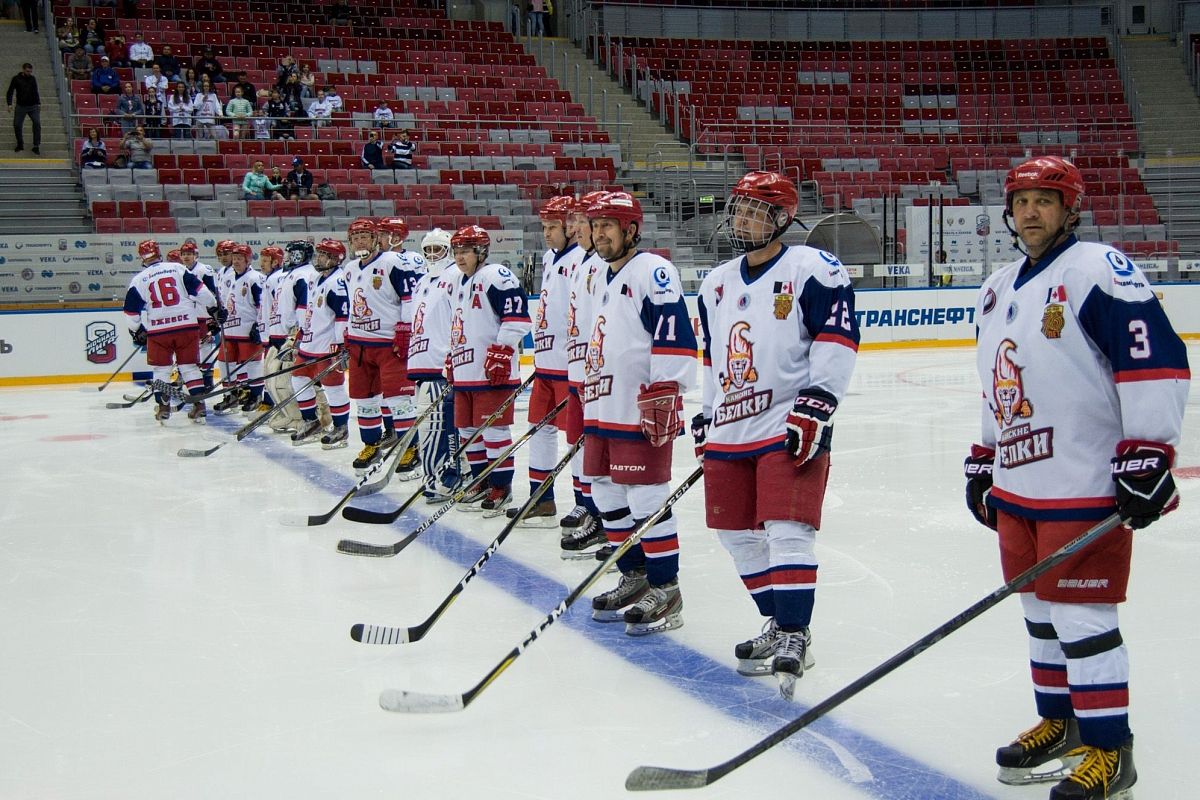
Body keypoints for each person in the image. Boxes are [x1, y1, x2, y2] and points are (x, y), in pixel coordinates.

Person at [964, 155, 1189, 800]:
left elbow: (1153, 360)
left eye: (1045, 199)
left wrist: (1150, 449)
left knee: (1084, 615)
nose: (1030, 211)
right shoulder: (998, 286)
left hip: (1083, 480)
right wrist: (985, 457)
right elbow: (997, 384)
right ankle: (1061, 723)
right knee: (1039, 612)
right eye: (1022, 200)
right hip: (1020, 482)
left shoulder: (1098, 270)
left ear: (1070, 209)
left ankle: (1110, 747)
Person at [694, 171, 859, 698]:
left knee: (787, 527)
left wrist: (819, 402)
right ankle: (780, 621)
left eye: (755, 211)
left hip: (788, 422)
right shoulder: (715, 283)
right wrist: (705, 412)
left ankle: (793, 632)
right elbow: (713, 357)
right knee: (734, 532)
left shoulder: (813, 268)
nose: (742, 219)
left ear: (782, 218)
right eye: (739, 209)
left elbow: (837, 335)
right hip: (731, 424)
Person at [583, 191, 697, 636]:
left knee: (646, 496)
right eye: (595, 225)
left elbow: (674, 329)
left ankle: (666, 587)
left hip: (637, 406)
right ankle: (634, 577)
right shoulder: (601, 274)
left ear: (631, 229)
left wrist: (667, 387)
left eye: (608, 224)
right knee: (606, 494)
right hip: (602, 404)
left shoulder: (653, 270)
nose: (599, 233)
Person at [503, 195, 582, 526]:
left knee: (575, 437)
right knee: (539, 429)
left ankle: (585, 505)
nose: (546, 234)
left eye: (552, 227)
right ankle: (541, 498)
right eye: (545, 227)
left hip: (570, 366)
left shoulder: (582, 260)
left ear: (570, 227)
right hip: (546, 364)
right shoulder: (551, 258)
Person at [446, 224, 532, 512]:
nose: (459, 257)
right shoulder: (458, 282)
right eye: (456, 251)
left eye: (466, 251)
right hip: (466, 370)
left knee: (494, 430)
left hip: (491, 371)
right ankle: (481, 479)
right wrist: (452, 355)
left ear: (481, 251)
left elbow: (518, 317)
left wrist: (503, 350)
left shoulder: (497, 275)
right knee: (468, 430)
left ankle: (501, 485)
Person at [341, 217, 426, 472]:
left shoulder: (392, 262)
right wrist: (346, 333)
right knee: (365, 400)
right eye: (355, 237)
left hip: (390, 345)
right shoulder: (349, 269)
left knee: (398, 399)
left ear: (377, 238)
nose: (360, 241)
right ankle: (372, 445)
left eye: (365, 236)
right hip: (360, 345)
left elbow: (410, 297)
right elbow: (351, 307)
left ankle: (410, 448)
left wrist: (405, 329)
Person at [558, 190, 609, 557]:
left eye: (582, 220)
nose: (575, 227)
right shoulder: (583, 262)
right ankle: (587, 507)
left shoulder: (604, 266)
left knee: (596, 449)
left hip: (595, 375)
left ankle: (603, 518)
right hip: (577, 371)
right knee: (579, 444)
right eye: (573, 220)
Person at [122, 239, 221, 423]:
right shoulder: (178, 268)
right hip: (187, 326)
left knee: (161, 370)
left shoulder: (139, 279)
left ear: (142, 258)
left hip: (159, 330)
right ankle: (199, 406)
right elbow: (201, 290)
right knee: (190, 367)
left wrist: (137, 330)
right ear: (159, 253)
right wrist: (214, 308)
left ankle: (163, 408)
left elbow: (130, 311)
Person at [407, 228, 462, 502]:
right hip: (422, 363)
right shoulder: (422, 281)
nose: (431, 255)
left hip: (441, 364)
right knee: (428, 427)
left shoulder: (454, 276)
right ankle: (434, 475)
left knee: (442, 428)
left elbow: (458, 319)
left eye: (437, 249)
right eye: (427, 249)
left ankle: (446, 478)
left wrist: (453, 354)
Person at [289, 239, 352, 447]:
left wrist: (341, 344)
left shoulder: (338, 282)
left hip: (327, 346)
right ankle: (311, 422)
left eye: (324, 254)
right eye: (319, 254)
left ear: (336, 259)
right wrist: (300, 334)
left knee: (332, 386)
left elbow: (343, 316)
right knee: (298, 378)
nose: (319, 257)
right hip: (309, 342)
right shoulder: (315, 279)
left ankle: (341, 429)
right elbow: (310, 312)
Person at [211, 243, 266, 416]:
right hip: (229, 330)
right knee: (225, 363)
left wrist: (259, 325)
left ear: (248, 260)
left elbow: (263, 305)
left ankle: (255, 396)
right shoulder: (228, 276)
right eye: (234, 258)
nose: (235, 262)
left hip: (247, 330)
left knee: (252, 365)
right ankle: (232, 395)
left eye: (239, 259)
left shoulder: (255, 278)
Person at [178, 240, 220, 391]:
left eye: (189, 254)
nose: (186, 257)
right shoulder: (179, 271)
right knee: (187, 349)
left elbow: (213, 293)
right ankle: (184, 377)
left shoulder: (204, 270)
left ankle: (207, 380)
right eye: (183, 254)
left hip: (203, 317)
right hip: (187, 318)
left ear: (196, 255)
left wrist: (213, 316)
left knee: (206, 349)